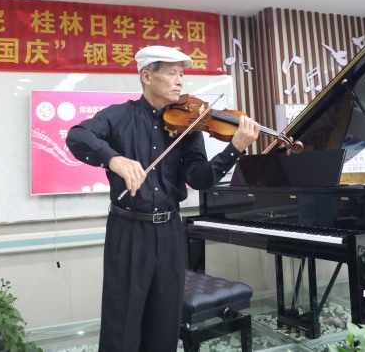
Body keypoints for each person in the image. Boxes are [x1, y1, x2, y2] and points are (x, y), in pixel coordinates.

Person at [65, 45, 261, 352]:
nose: (180, 81)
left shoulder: (189, 126)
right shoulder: (119, 116)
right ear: (147, 76)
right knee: (122, 320)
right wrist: (114, 159)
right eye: (171, 73)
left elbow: (200, 178)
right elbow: (77, 136)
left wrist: (234, 149)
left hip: (170, 230)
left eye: (181, 74)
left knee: (165, 320)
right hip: (128, 229)